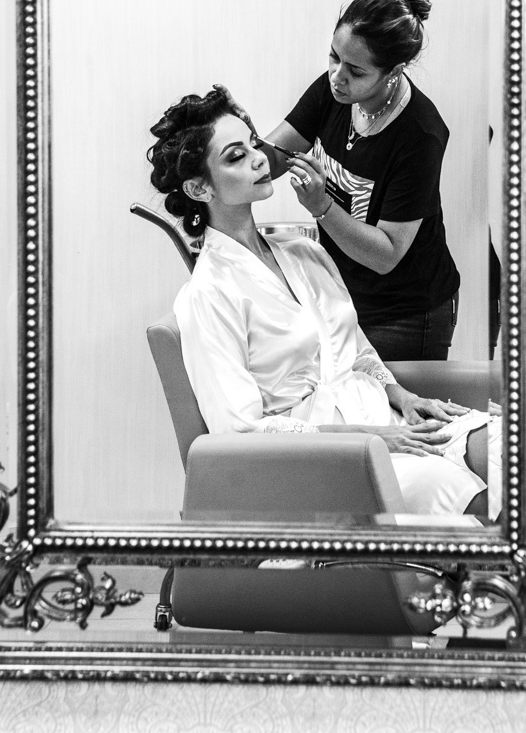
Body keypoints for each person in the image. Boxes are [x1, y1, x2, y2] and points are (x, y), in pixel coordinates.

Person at [148, 86, 501, 519]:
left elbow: (357, 350)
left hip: (392, 424)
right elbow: (239, 431)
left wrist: (403, 397)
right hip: (333, 464)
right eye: (236, 156)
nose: (260, 158)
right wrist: (369, 438)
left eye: (255, 144)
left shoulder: (305, 253)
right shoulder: (209, 294)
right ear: (199, 187)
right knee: (485, 503)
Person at [258, 0, 460, 362]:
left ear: (393, 72)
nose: (337, 76)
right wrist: (238, 143)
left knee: (388, 402)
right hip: (342, 295)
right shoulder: (333, 91)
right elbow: (273, 158)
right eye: (334, 57)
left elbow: (387, 254)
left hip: (406, 312)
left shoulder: (421, 134)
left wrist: (322, 206)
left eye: (355, 71)